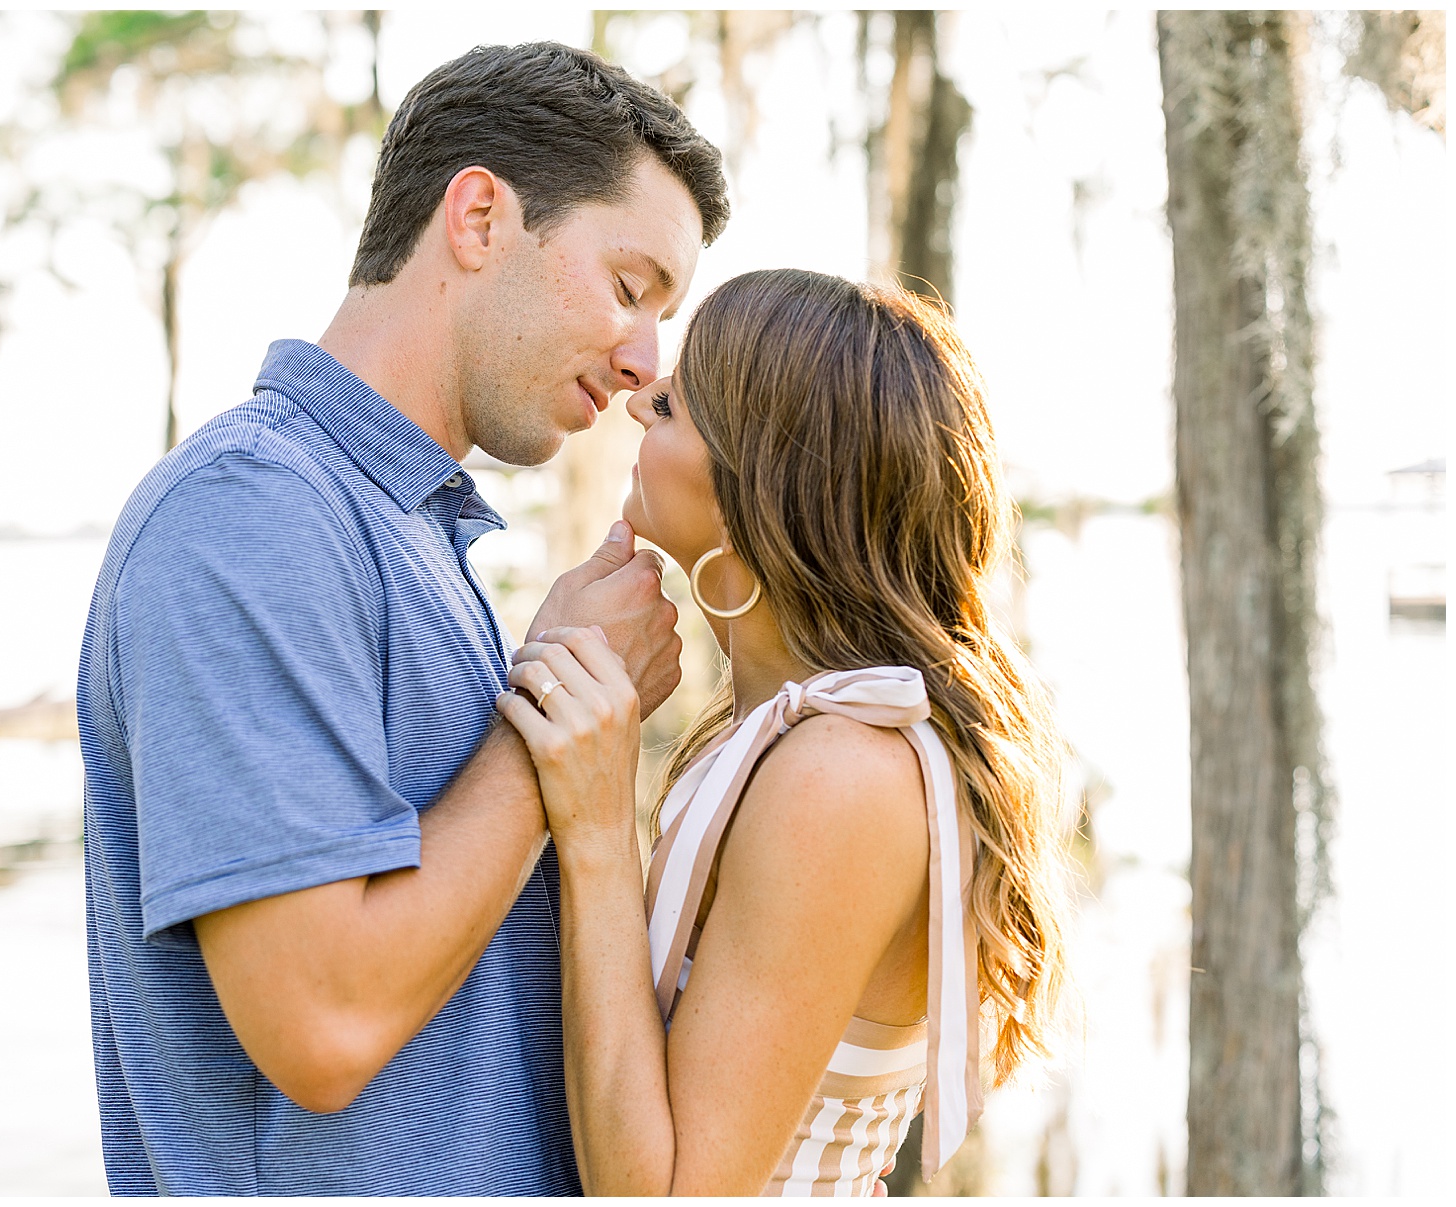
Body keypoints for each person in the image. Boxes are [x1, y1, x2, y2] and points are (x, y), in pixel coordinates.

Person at [77, 43, 727, 1195]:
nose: (643, 362)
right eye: (631, 289)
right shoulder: (251, 512)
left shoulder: (404, 531)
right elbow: (323, 1022)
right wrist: (557, 721)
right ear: (478, 217)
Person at [495, 269, 1072, 1196]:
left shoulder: (843, 774)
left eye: (678, 403)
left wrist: (597, 827)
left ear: (758, 485)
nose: (641, 402)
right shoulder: (785, 741)